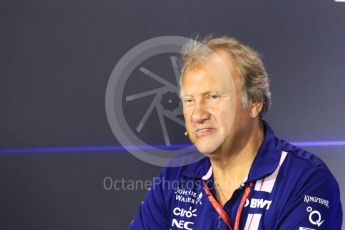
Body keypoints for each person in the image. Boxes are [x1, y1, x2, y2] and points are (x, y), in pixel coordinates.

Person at [128, 36, 342, 229]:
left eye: (212, 97)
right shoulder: (176, 174)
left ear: (255, 102)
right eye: (189, 101)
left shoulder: (307, 180)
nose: (197, 115)